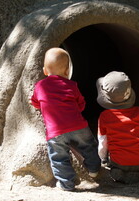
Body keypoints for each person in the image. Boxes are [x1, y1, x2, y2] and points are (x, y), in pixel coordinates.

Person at [30, 48, 101, 191]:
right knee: (88, 145)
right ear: (67, 71)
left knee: (59, 157)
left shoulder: (40, 86)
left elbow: (35, 102)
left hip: (55, 131)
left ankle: (66, 183)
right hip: (78, 126)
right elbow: (81, 104)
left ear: (45, 71)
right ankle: (94, 169)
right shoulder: (72, 85)